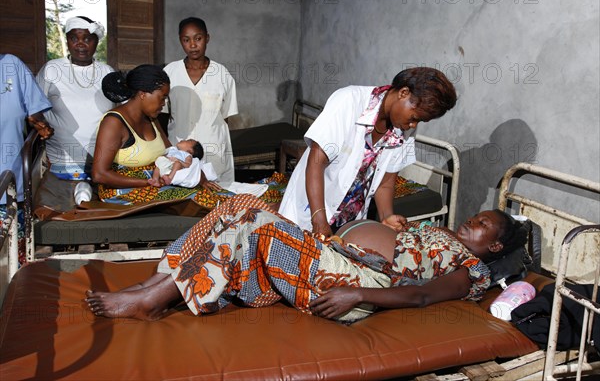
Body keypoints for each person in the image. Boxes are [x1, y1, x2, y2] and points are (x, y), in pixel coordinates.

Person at [85, 194, 527, 323]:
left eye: (483, 223)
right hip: (341, 262)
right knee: (238, 205)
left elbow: (421, 298)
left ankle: (154, 296)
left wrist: (355, 292)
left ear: (493, 247)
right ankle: (155, 287)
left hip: (354, 289)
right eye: (475, 214)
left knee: (251, 218)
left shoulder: (471, 271)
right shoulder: (442, 234)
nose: (473, 219)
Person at [278, 67, 457, 236]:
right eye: (414, 118)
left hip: (349, 223)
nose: (413, 125)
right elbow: (316, 163)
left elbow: (385, 182)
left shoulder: (402, 129)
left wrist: (386, 217)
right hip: (311, 211)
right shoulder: (348, 101)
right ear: (403, 93)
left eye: (420, 122)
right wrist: (319, 220)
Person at [36, 16, 114, 180]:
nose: (80, 44)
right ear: (67, 41)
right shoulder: (52, 69)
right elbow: (32, 107)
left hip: (103, 164)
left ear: (96, 42)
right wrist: (40, 126)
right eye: (74, 38)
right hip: (60, 163)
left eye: (87, 39)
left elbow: (124, 112)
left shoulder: (107, 72)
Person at [163, 17, 238, 184]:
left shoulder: (221, 74)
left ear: (207, 38)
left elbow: (225, 118)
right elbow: (162, 115)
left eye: (198, 38)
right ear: (180, 41)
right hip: (180, 152)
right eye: (186, 40)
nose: (193, 45)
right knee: (180, 194)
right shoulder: (170, 72)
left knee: (215, 197)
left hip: (214, 151)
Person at [0, 53, 53, 263]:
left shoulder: (11, 64)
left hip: (11, 190)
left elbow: (35, 112)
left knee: (12, 265)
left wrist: (40, 125)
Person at [92, 65, 171, 189]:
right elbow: (99, 174)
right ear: (143, 94)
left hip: (155, 184)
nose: (163, 104)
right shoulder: (114, 123)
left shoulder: (151, 118)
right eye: (162, 98)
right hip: (124, 192)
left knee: (205, 196)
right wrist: (146, 182)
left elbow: (170, 152)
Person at [150, 139, 220, 190]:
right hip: (166, 164)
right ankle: (155, 180)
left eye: (188, 141)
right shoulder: (173, 149)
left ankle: (169, 178)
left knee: (177, 164)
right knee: (158, 167)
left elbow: (188, 165)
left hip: (175, 166)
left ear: (190, 151)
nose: (183, 140)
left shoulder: (187, 155)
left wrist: (179, 161)